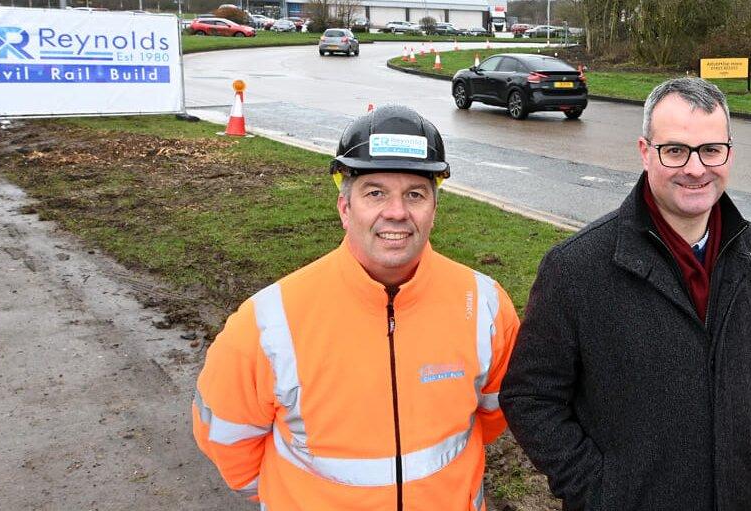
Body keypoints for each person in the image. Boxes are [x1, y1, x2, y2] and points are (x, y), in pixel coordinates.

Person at [191, 105, 520, 510]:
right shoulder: (268, 322)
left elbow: (494, 415)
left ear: (434, 209)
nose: (396, 212)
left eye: (414, 194)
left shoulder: (485, 306)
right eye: (375, 192)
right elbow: (229, 443)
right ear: (345, 209)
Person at [501, 77, 751, 511]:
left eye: (711, 150)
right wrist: (601, 492)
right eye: (675, 150)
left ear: (729, 153)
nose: (696, 169)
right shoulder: (576, 267)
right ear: (645, 152)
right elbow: (530, 396)